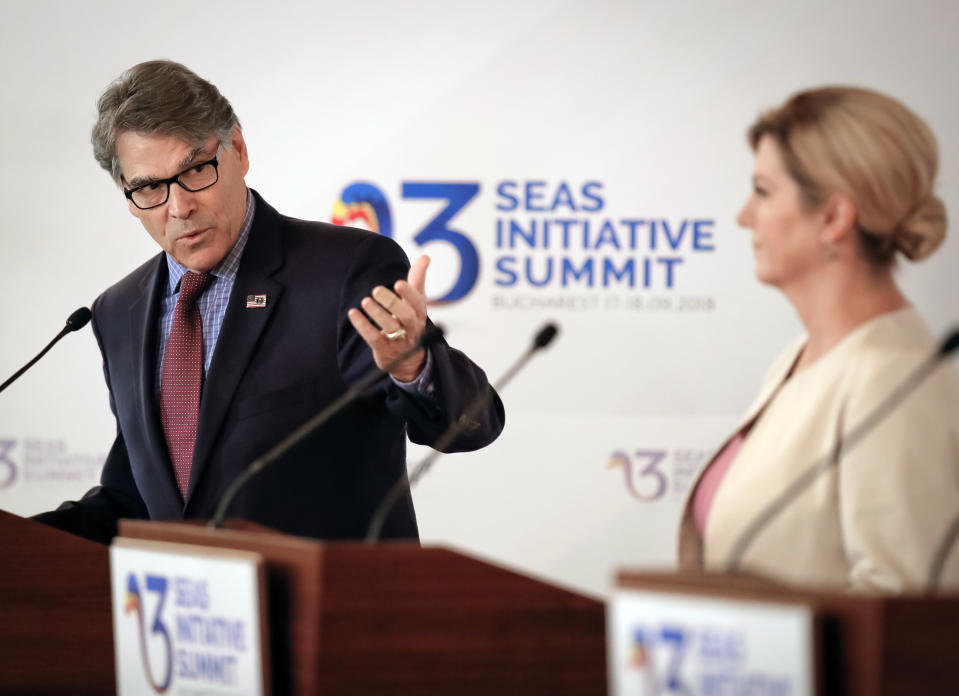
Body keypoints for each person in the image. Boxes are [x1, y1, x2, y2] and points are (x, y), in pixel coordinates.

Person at [33, 60, 504, 545]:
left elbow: (474, 423)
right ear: (127, 195)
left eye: (195, 169)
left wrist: (416, 367)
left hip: (336, 608)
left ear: (237, 149)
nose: (179, 207)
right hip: (196, 615)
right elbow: (136, 498)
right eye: (150, 186)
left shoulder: (343, 272)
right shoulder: (118, 311)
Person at [677, 86, 959, 593]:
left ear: (833, 218)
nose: (744, 216)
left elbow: (905, 618)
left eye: (763, 192)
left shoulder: (893, 379)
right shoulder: (801, 359)